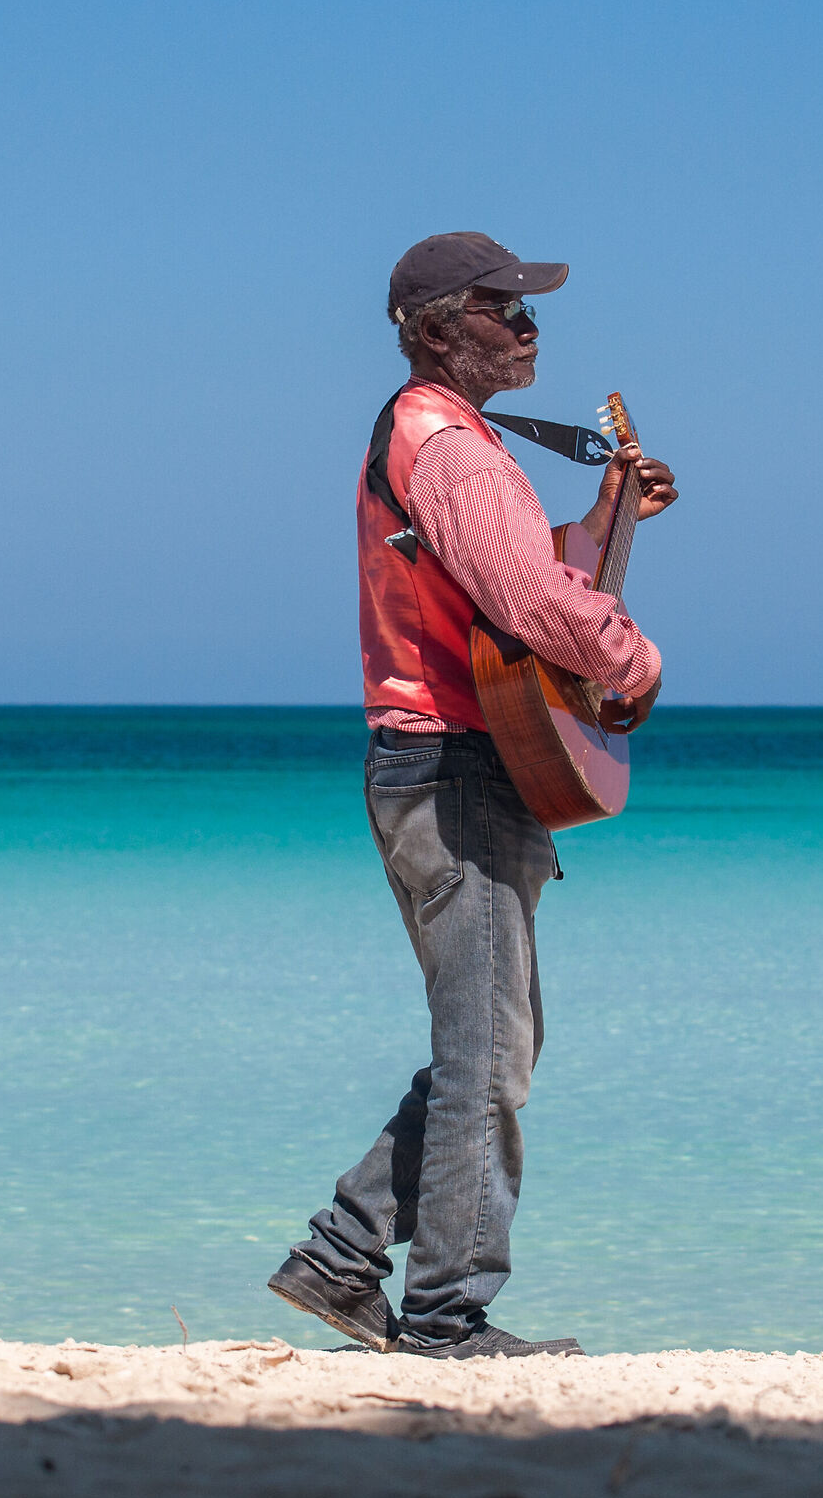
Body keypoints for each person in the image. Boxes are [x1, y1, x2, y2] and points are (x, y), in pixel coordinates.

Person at [268, 232, 678, 1359]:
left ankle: (343, 1258)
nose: (531, 326)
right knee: (490, 1053)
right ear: (441, 328)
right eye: (508, 308)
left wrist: (603, 524)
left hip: (450, 760)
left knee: (488, 1044)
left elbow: (531, 581)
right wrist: (636, 663)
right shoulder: (451, 451)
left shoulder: (449, 445)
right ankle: (448, 1314)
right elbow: (541, 614)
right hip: (455, 766)